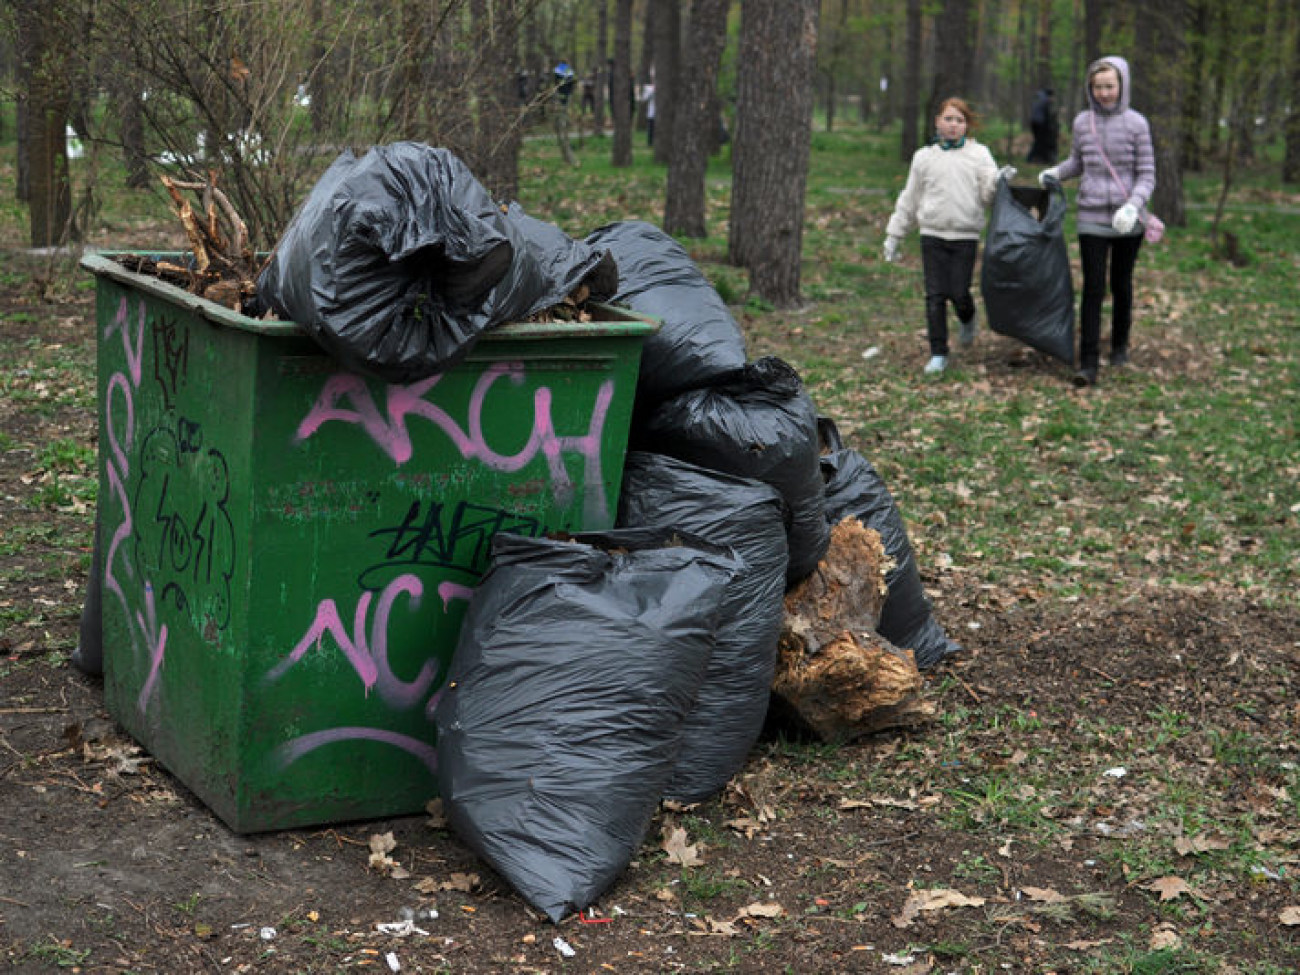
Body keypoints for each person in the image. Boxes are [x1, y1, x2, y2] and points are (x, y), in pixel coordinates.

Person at [1040, 56, 1155, 387]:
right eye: (1098, 87)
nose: (1104, 93)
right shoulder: (1081, 122)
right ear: (1090, 89)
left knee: (1121, 283)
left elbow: (1147, 174)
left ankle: (1119, 345)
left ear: (1122, 86)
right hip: (1091, 215)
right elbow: (1078, 162)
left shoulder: (1137, 124)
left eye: (1110, 86)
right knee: (1093, 287)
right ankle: (1087, 362)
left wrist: (1133, 206)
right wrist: (1056, 173)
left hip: (1126, 219)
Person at [884, 97, 1015, 375]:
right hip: (932, 234)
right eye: (948, 119)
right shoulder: (924, 158)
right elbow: (910, 198)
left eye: (960, 120)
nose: (954, 125)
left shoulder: (979, 154)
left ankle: (968, 317)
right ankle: (938, 352)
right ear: (937, 122)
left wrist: (999, 181)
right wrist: (894, 234)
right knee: (934, 296)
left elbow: (988, 194)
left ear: (967, 125)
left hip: (964, 236)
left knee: (958, 292)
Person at [1026, 87, 1058, 163]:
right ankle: (1031, 158)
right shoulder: (1045, 99)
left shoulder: (1038, 97)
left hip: (1033, 122)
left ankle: (1038, 158)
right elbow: (1047, 114)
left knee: (1038, 140)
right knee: (1039, 141)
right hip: (1040, 123)